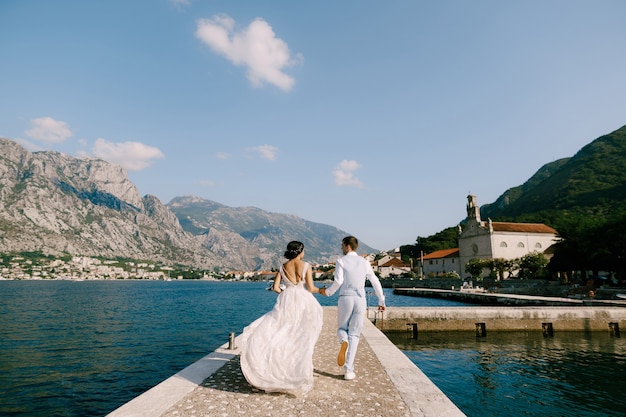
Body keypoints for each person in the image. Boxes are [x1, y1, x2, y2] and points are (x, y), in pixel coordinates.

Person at [239, 241, 323, 396]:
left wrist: (286, 294)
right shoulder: (306, 265)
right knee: (302, 337)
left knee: (283, 334)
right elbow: (311, 288)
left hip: (287, 300)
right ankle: (298, 372)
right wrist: (323, 290)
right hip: (305, 302)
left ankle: (277, 370)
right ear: (301, 251)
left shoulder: (282, 267)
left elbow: (276, 288)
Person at [320, 235, 385, 380]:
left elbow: (338, 281)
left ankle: (344, 341)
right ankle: (348, 371)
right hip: (361, 300)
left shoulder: (341, 261)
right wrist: (381, 300)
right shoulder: (364, 262)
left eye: (342, 246)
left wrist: (328, 292)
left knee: (342, 329)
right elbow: (375, 280)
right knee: (355, 334)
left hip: (346, 298)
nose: (341, 248)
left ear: (347, 246)